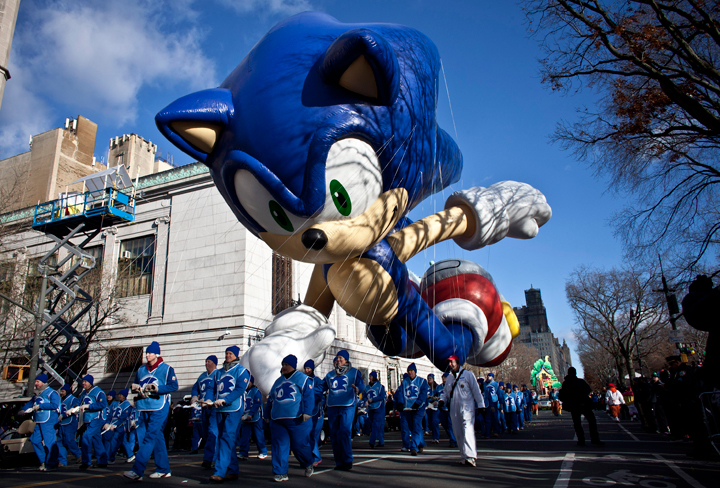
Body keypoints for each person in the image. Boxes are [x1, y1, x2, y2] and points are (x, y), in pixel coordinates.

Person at [123, 341, 179, 481]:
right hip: (145, 405)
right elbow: (137, 384)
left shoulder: (166, 369)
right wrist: (136, 389)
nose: (147, 355)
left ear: (157, 354)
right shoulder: (141, 370)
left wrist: (157, 389)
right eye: (146, 353)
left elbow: (174, 386)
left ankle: (137, 471)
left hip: (159, 406)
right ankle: (163, 469)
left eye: (150, 353)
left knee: (149, 436)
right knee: (157, 436)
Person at [266, 355, 315, 482]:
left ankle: (308, 462)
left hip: (296, 419)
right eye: (283, 365)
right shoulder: (277, 381)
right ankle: (280, 472)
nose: (284, 367)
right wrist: (267, 415)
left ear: (293, 366)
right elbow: (271, 399)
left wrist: (307, 412)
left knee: (299, 446)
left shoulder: (303, 379)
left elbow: (309, 396)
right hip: (278, 419)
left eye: (286, 365)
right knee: (279, 446)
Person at [209, 345, 250, 483]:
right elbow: (212, 388)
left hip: (233, 408)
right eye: (226, 353)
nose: (227, 356)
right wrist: (209, 399)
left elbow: (239, 389)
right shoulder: (218, 372)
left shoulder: (242, 371)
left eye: (230, 354)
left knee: (227, 437)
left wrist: (225, 400)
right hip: (220, 409)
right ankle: (232, 470)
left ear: (236, 356)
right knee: (224, 438)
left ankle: (219, 471)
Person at [321, 349, 365, 471]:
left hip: (347, 405)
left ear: (346, 360)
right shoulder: (330, 375)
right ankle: (339, 461)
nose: (339, 360)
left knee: (344, 431)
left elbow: (361, 385)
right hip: (333, 405)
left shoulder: (354, 372)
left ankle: (347, 460)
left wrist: (357, 389)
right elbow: (321, 387)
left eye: (341, 358)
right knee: (334, 434)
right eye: (337, 358)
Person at [439, 355, 484, 467]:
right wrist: (442, 401)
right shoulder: (449, 378)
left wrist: (481, 404)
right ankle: (464, 456)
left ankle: (471, 456)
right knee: (458, 432)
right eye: (449, 362)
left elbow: (476, 391)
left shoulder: (468, 375)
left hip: (467, 407)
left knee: (467, 429)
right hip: (454, 408)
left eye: (452, 362)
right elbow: (446, 393)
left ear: (458, 363)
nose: (450, 364)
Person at [21, 374, 60, 471]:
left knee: (49, 442)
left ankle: (51, 463)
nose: (36, 384)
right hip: (38, 420)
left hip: (49, 420)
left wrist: (41, 406)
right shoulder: (37, 394)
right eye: (35, 382)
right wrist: (22, 410)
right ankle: (43, 460)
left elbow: (55, 405)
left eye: (37, 382)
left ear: (43, 382)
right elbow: (30, 403)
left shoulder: (52, 393)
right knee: (34, 440)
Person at [559, 367, 603, 447]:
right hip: (584, 404)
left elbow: (563, 395)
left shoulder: (566, 383)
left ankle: (581, 440)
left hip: (573, 405)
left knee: (577, 423)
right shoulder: (580, 381)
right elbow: (588, 390)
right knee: (592, 421)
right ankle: (594, 438)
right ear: (575, 373)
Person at [191, 355, 220, 470]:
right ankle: (210, 456)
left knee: (213, 432)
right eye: (206, 361)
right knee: (205, 433)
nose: (207, 364)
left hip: (213, 407)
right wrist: (194, 396)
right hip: (203, 408)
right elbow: (195, 388)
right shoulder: (202, 376)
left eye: (209, 362)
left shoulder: (218, 375)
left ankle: (211, 458)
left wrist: (210, 400)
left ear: (214, 363)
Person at [78, 374, 108, 470]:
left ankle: (86, 462)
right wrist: (73, 409)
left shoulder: (98, 392)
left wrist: (89, 406)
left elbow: (103, 404)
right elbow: (78, 402)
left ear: (90, 382)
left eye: (85, 382)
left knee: (86, 437)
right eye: (83, 381)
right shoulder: (84, 393)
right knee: (96, 439)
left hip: (97, 418)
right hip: (88, 419)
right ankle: (102, 461)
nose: (83, 383)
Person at [399, 363, 429, 456]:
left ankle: (414, 448)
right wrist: (400, 403)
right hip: (408, 408)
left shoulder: (422, 381)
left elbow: (423, 394)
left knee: (416, 425)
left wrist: (418, 403)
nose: (410, 373)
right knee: (413, 427)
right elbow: (400, 392)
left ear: (415, 371)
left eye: (412, 371)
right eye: (409, 371)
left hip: (418, 408)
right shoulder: (404, 382)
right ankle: (421, 443)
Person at [237, 375, 267, 460]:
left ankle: (263, 451)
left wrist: (251, 414)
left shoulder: (256, 391)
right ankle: (243, 453)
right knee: (244, 436)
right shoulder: (243, 392)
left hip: (255, 417)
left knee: (258, 435)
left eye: (248, 382)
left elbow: (257, 404)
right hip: (246, 418)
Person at [304, 359, 325, 467]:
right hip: (307, 412)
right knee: (307, 435)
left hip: (317, 412)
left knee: (313, 435)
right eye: (305, 368)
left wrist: (310, 393)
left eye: (308, 368)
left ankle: (316, 457)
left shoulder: (317, 380)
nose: (307, 370)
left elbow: (320, 393)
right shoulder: (303, 379)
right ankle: (310, 457)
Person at [107, 389, 137, 463]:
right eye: (119, 394)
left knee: (114, 441)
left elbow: (123, 416)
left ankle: (111, 458)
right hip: (113, 425)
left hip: (121, 426)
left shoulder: (127, 405)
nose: (119, 396)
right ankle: (130, 455)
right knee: (122, 441)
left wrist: (115, 424)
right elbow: (111, 414)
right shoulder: (116, 403)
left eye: (121, 395)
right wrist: (108, 423)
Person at [57, 384, 82, 467]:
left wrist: (65, 414)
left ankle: (78, 455)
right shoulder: (60, 400)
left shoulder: (73, 399)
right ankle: (62, 460)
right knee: (60, 442)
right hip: (61, 424)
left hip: (70, 423)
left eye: (63, 391)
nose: (61, 393)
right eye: (61, 391)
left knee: (69, 440)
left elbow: (75, 409)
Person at [365, 371, 386, 448]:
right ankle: (381, 441)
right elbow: (364, 396)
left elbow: (382, 397)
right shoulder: (367, 387)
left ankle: (372, 441)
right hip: (371, 408)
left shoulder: (380, 386)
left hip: (378, 408)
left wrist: (373, 399)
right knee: (376, 425)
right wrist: (365, 401)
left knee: (376, 424)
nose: (369, 378)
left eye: (370, 376)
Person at [438, 373, 458, 447]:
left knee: (450, 425)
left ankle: (453, 440)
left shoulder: (451, 386)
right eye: (443, 377)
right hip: (442, 409)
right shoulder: (439, 387)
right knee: (444, 424)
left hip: (449, 409)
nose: (444, 379)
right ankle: (452, 437)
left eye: (445, 378)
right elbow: (437, 394)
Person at [395, 374, 411, 451]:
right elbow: (396, 397)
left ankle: (416, 443)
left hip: (411, 409)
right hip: (403, 410)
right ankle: (406, 444)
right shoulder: (400, 388)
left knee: (414, 427)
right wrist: (396, 407)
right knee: (404, 428)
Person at [103, 390, 118, 460]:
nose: (108, 397)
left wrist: (109, 423)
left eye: (110, 396)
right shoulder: (105, 403)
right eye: (108, 395)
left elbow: (113, 415)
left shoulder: (115, 404)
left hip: (111, 424)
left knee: (108, 440)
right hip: (104, 423)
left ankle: (108, 456)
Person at [426, 374, 441, 444]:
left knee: (435, 421)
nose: (429, 380)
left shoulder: (437, 387)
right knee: (430, 421)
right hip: (428, 406)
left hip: (435, 406)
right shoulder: (426, 387)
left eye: (430, 378)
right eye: (428, 378)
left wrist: (436, 399)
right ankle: (432, 433)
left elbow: (440, 395)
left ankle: (436, 437)